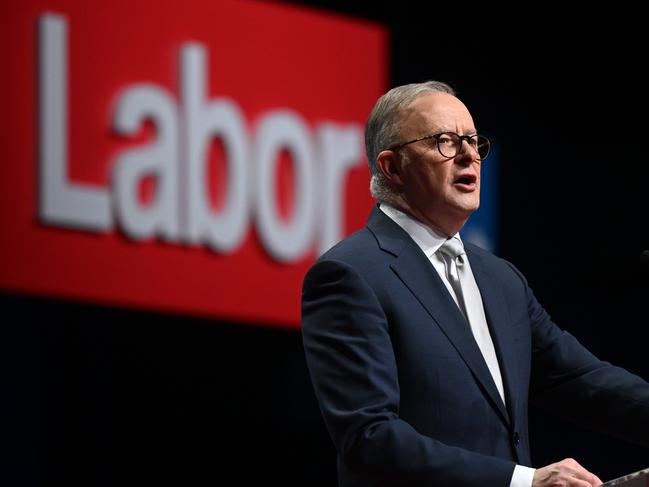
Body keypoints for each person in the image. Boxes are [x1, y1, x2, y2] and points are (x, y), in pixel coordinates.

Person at [300, 80, 649, 487]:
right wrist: (523, 481)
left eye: (473, 140)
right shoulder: (351, 274)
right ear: (392, 167)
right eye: (445, 141)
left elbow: (577, 379)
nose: (469, 154)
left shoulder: (500, 279)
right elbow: (370, 437)